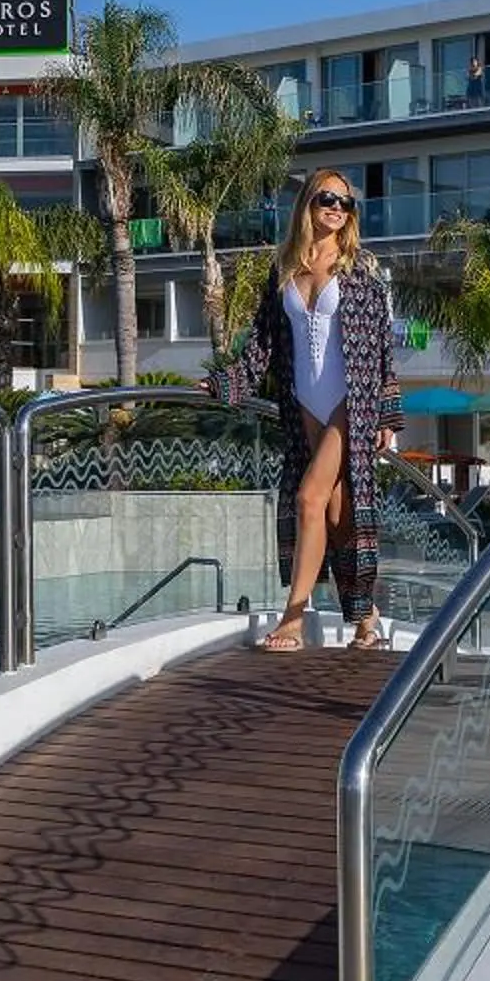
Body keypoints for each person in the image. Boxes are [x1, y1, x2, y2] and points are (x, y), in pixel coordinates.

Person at [213, 168, 406, 651]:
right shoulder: (283, 268)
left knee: (307, 499)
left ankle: (293, 619)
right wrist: (225, 381)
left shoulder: (360, 268)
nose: (337, 209)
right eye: (327, 199)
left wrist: (386, 413)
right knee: (339, 515)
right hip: (303, 403)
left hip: (350, 404)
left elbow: (382, 347)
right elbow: (262, 343)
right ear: (307, 204)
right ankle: (367, 618)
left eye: (346, 203)